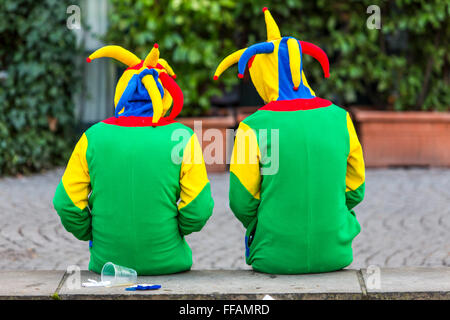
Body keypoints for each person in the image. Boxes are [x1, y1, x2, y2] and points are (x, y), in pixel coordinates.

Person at [214, 8, 365, 274]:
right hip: (336, 254)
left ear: (262, 78)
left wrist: (267, 222)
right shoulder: (340, 118)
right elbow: (355, 190)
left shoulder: (252, 127)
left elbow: (241, 201)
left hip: (273, 256)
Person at [53, 44, 214, 275]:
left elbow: (66, 203)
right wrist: (174, 230)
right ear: (164, 95)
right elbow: (200, 208)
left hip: (106, 263)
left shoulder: (93, 137)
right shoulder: (182, 137)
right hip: (168, 261)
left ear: (122, 91)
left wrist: (93, 232)